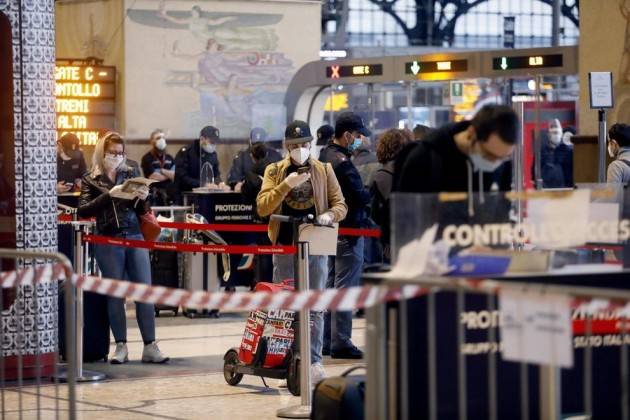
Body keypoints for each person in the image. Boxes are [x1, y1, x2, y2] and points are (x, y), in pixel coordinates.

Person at [257, 120, 347, 383]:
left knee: (315, 305)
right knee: (284, 304)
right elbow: (263, 207)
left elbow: (341, 204)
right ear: (287, 147)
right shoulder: (275, 170)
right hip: (285, 243)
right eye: (295, 145)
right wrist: (286, 185)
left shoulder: (324, 169)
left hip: (315, 244)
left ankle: (314, 359)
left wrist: (330, 215)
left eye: (305, 144)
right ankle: (282, 358)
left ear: (311, 144)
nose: (301, 149)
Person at [78, 131, 168, 364]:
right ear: (102, 152)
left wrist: (143, 197)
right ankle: (121, 346)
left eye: (121, 152)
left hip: (134, 234)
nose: (117, 156)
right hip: (108, 239)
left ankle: (150, 345)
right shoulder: (91, 178)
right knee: (115, 295)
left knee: (144, 291)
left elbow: (140, 210)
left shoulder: (131, 171)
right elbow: (84, 209)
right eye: (112, 152)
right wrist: (109, 195)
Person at [319, 112, 371, 359]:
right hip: (349, 232)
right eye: (358, 135)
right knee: (345, 287)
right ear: (347, 134)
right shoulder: (343, 163)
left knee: (331, 284)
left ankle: (328, 339)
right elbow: (360, 196)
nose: (359, 140)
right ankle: (341, 341)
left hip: (330, 231)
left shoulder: (324, 156)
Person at [371, 129, 410, 263]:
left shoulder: (379, 175)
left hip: (387, 240)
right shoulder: (408, 172)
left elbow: (376, 214)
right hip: (407, 236)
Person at [174, 125, 227, 199]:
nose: (214, 145)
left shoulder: (213, 154)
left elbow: (216, 174)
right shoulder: (186, 152)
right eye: (212, 142)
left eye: (216, 142)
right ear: (202, 139)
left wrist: (220, 183)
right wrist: (202, 185)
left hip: (206, 197)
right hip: (185, 196)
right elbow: (182, 177)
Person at [141, 129, 176, 205]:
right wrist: (169, 174)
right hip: (154, 196)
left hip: (169, 195)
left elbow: (175, 176)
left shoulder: (170, 158)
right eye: (158, 138)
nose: (161, 140)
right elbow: (153, 177)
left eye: (163, 137)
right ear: (151, 141)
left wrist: (162, 171)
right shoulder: (147, 158)